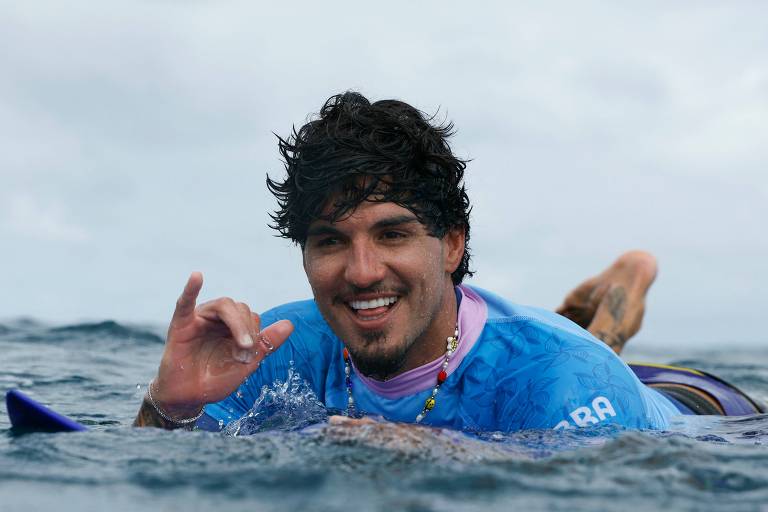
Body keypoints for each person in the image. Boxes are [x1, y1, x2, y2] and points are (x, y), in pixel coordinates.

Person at [134, 92, 762, 432]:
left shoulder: (567, 379)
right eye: (330, 241)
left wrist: (443, 457)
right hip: (539, 366)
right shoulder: (279, 348)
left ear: (453, 244)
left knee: (585, 355)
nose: (360, 272)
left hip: (703, 410)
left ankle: (627, 280)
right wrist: (168, 407)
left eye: (393, 234)